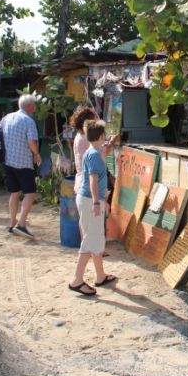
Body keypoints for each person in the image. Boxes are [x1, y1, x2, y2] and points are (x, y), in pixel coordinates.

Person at [68, 119, 117, 296]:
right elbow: (93, 180)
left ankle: (100, 275)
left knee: (95, 238)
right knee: (90, 240)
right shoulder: (95, 155)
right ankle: (77, 280)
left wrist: (100, 201)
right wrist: (97, 202)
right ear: (101, 136)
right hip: (90, 201)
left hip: (87, 199)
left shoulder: (91, 152)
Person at [0, 94, 41, 238]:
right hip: (23, 162)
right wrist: (37, 154)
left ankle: (12, 224)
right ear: (29, 106)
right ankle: (21, 224)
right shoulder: (28, 121)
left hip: (7, 161)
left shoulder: (7, 118)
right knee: (30, 193)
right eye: (34, 105)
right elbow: (31, 142)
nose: (35, 108)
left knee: (14, 193)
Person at [70, 104, 119, 195]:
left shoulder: (79, 136)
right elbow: (102, 154)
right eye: (94, 119)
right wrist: (112, 142)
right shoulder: (87, 137)